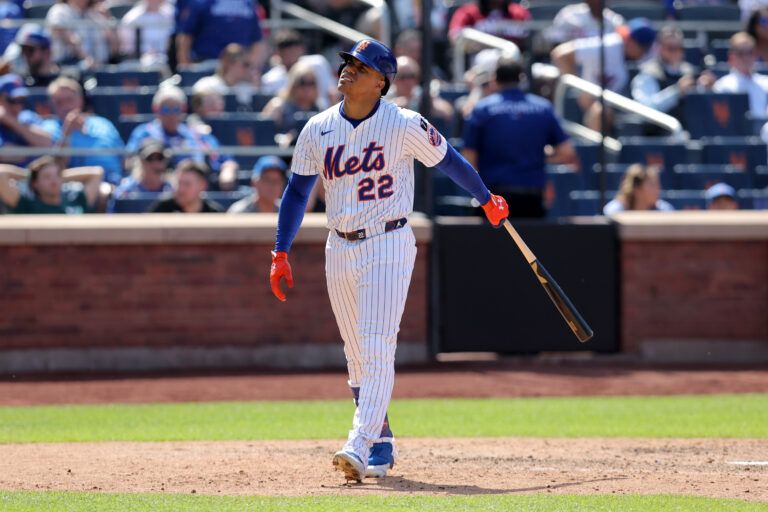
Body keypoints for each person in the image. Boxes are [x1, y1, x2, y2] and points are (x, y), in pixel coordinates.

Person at [268, 39, 509, 483]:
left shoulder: (403, 123)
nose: (348, 71)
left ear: (381, 81)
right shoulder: (317, 128)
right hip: (338, 244)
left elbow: (449, 160)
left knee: (377, 344)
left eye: (360, 66)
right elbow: (298, 192)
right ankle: (381, 438)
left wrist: (485, 198)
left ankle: (358, 444)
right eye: (347, 64)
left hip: (388, 240)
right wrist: (281, 250)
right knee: (357, 356)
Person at [462, 54, 578, 218]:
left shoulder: (482, 109)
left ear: (495, 79)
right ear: (521, 78)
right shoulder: (543, 108)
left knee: (492, 244)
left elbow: (469, 158)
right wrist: (537, 158)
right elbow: (567, 151)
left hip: (494, 199)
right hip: (532, 198)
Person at [551, 18, 657, 131]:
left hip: (623, 104)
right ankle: (593, 148)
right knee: (600, 111)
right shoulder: (609, 45)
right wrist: (578, 89)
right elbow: (560, 54)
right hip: (594, 105)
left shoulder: (647, 56)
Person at [125, 85, 238, 190]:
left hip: (197, 189)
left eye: (176, 109)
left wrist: (228, 171)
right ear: (156, 109)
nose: (171, 115)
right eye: (165, 109)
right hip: (159, 190)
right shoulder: (144, 132)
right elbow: (129, 162)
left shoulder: (196, 134)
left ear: (183, 109)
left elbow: (225, 159)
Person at [631, 25, 716, 131]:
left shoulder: (690, 72)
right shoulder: (647, 73)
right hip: (659, 136)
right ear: (659, 48)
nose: (676, 52)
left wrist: (709, 90)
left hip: (691, 132)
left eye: (679, 48)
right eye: (671, 48)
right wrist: (677, 91)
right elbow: (644, 110)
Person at [41, 77, 124, 185]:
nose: (66, 106)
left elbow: (123, 159)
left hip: (116, 183)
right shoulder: (48, 129)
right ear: (52, 106)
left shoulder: (103, 123)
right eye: (59, 102)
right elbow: (55, 166)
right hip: (78, 187)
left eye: (69, 100)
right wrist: (67, 133)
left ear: (81, 100)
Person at [175, 0, 266, 78]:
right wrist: (185, 67)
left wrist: (252, 68)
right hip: (207, 66)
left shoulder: (247, 4)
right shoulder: (201, 2)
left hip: (239, 68)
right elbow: (186, 36)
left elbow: (257, 41)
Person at [261, 29, 337, 109]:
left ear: (302, 49)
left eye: (311, 83)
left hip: (320, 113)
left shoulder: (318, 63)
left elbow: (332, 93)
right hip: (288, 119)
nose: (290, 56)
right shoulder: (269, 79)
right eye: (302, 83)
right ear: (278, 53)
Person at [0, 156, 102, 214]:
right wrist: (30, 174)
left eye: (57, 175)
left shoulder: (75, 198)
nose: (54, 180)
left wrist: (61, 176)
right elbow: (1, 173)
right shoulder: (26, 204)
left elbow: (97, 173)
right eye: (47, 177)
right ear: (35, 184)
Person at [261, 62, 322, 146]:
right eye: (302, 82)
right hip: (282, 155)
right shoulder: (278, 105)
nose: (307, 88)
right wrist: (282, 138)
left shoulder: (320, 110)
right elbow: (262, 133)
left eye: (311, 83)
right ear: (293, 83)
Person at [45, 0, 119, 68]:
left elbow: (115, 49)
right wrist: (89, 60)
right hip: (70, 65)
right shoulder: (60, 10)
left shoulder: (95, 14)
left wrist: (107, 18)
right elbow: (73, 42)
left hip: (101, 66)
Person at [108, 138, 173, 212]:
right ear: (141, 162)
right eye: (150, 159)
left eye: (160, 158)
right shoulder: (126, 192)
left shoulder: (172, 191)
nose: (155, 164)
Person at [388, 56, 454, 129]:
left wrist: (431, 104)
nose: (407, 81)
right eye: (402, 77)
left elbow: (448, 113)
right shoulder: (386, 95)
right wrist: (395, 106)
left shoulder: (421, 94)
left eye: (411, 76)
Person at [0, 73, 53, 165]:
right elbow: (4, 153)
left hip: (33, 177)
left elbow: (47, 144)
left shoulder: (28, 117)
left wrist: (13, 122)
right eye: (12, 100)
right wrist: (35, 151)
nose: (17, 106)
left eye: (20, 101)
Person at [713, 32, 768, 117]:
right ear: (731, 56)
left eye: (750, 52)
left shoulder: (765, 83)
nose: (746, 57)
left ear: (756, 54)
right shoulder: (721, 86)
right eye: (741, 53)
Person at [192, 43, 258, 109]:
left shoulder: (249, 87)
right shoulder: (206, 85)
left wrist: (257, 85)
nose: (249, 69)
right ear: (230, 64)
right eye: (246, 64)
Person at [448, 0, 531, 49]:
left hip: (518, 61)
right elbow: (455, 36)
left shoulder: (518, 12)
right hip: (480, 60)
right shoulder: (468, 12)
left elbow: (532, 38)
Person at [149, 159, 223, 212]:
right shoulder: (162, 209)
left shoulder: (214, 213)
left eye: (187, 184)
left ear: (202, 185)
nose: (181, 189)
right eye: (179, 183)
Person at [603, 164, 675, 214]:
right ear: (636, 188)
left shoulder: (664, 210)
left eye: (657, 184)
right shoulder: (615, 211)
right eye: (652, 185)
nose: (658, 189)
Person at [118, 0, 174, 64]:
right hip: (138, 61)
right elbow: (126, 48)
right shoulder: (132, 18)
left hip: (167, 60)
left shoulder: (171, 15)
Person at [546, 0, 625, 45]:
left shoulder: (615, 20)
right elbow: (553, 39)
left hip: (605, 66)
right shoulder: (569, 14)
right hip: (572, 61)